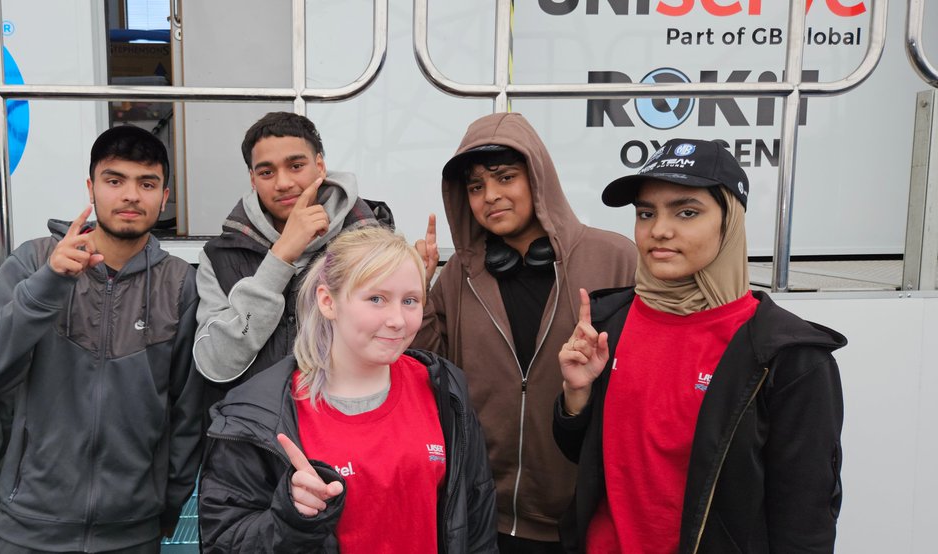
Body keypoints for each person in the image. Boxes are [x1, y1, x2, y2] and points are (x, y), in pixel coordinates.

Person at [553, 139, 846, 553]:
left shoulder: (791, 358)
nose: (659, 230)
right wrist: (575, 397)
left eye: (686, 212)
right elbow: (587, 459)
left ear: (730, 222)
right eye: (645, 213)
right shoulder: (605, 325)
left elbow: (804, 522)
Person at [0, 125, 203, 553]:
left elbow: (187, 413)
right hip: (26, 530)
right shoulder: (35, 260)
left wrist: (164, 503)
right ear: (91, 188)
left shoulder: (181, 284)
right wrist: (48, 284)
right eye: (115, 181)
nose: (131, 196)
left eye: (147, 184)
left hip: (132, 533)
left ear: (164, 197)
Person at [411, 112, 636, 552]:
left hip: (583, 516)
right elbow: (428, 372)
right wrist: (414, 297)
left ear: (538, 178)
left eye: (504, 177)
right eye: (476, 187)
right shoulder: (459, 273)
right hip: (483, 513)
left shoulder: (615, 258)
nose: (490, 196)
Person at [198, 226, 497, 553]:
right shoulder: (257, 413)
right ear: (328, 302)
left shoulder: (444, 390)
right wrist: (291, 517)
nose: (397, 319)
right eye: (376, 299)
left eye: (410, 300)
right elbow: (223, 542)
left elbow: (475, 518)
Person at [193, 111, 394, 407]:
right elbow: (215, 365)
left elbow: (388, 346)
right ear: (252, 179)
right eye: (266, 172)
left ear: (321, 166)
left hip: (348, 433)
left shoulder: (371, 242)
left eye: (296, 165)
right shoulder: (219, 256)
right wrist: (280, 256)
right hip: (254, 433)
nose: (283, 182)